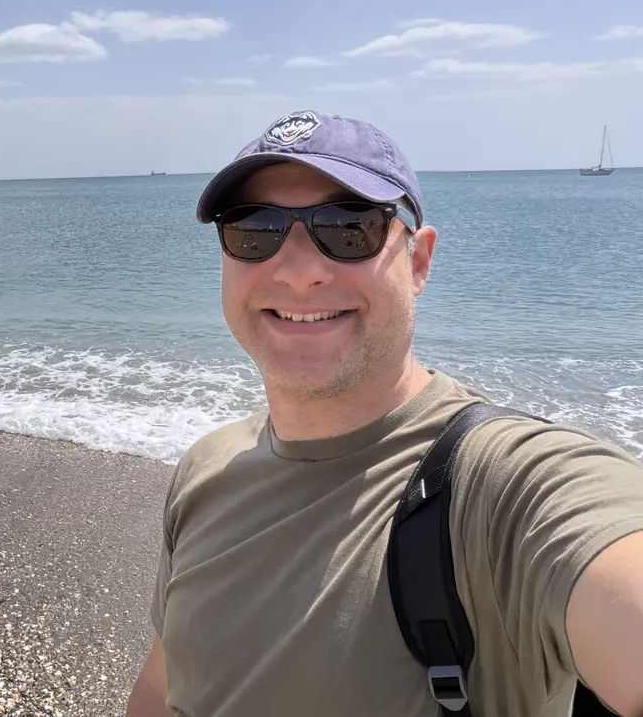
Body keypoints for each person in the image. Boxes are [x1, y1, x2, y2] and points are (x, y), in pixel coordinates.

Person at [126, 110, 643, 717]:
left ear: (418, 262)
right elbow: (167, 684)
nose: (297, 272)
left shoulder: (504, 486)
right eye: (253, 229)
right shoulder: (205, 470)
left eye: (349, 229)